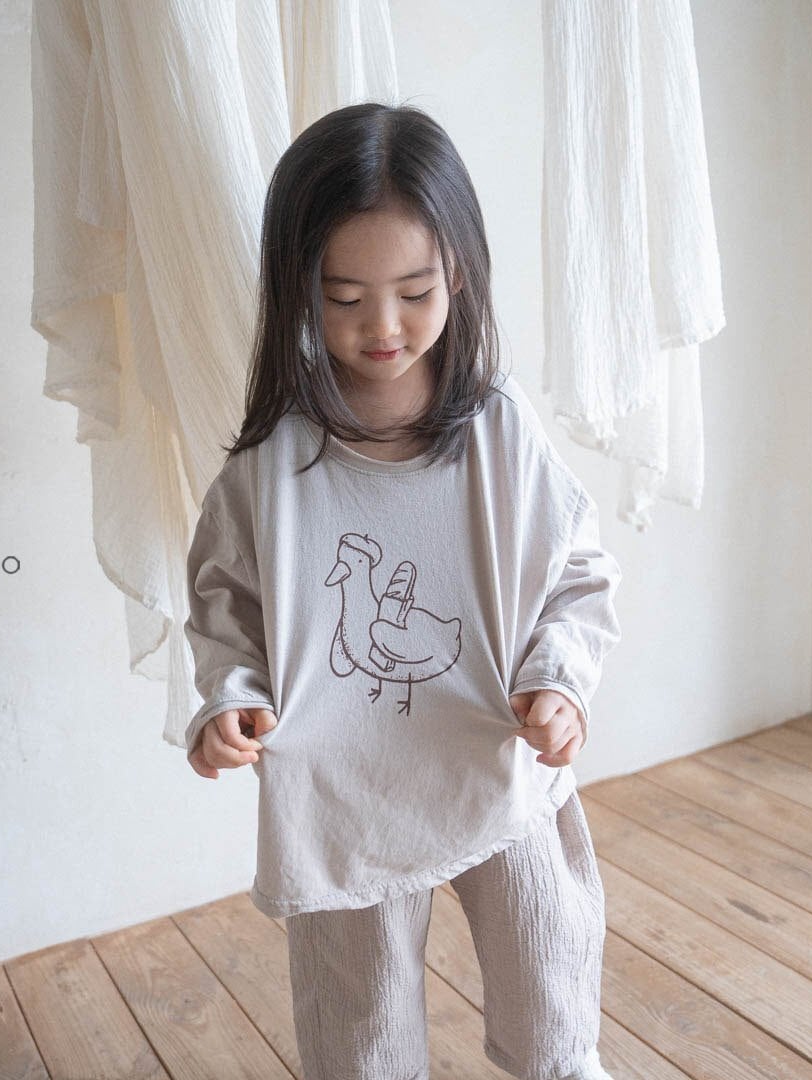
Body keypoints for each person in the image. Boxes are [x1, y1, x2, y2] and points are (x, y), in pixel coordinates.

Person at [181, 101, 622, 1080]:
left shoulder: (500, 430)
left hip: (496, 757)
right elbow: (224, 607)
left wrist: (559, 679)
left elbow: (578, 573)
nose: (383, 327)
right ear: (297, 288)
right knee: (360, 1027)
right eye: (343, 297)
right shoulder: (271, 466)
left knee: (550, 985)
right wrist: (232, 700)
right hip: (345, 793)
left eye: (414, 292)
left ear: (457, 272)